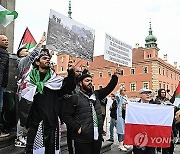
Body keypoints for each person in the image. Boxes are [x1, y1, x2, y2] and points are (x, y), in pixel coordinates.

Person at [17, 51, 76, 154]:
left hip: (50, 121)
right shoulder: (29, 79)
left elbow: (68, 88)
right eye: (44, 58)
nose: (48, 59)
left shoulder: (55, 79)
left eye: (48, 58)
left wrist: (71, 73)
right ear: (37, 63)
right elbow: (24, 99)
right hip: (35, 123)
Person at [63, 70, 119, 154]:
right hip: (82, 139)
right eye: (87, 81)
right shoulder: (74, 98)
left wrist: (115, 77)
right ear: (80, 83)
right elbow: (66, 116)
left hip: (97, 138)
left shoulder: (96, 95)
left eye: (91, 81)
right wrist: (77, 127)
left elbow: (109, 88)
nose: (90, 82)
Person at [15, 32, 46, 147]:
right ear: (21, 54)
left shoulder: (31, 65)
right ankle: (19, 137)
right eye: (26, 51)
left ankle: (25, 135)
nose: (28, 52)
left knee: (29, 114)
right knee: (23, 114)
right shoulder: (22, 62)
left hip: (31, 92)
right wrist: (41, 42)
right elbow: (33, 55)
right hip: (24, 92)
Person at [133, 88, 156, 154]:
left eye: (149, 93)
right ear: (140, 95)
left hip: (151, 135)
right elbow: (127, 118)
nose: (148, 95)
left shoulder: (155, 105)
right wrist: (124, 110)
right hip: (138, 135)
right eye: (146, 93)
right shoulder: (134, 106)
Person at [0, 34, 10, 138]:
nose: (6, 41)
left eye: (7, 40)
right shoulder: (3, 53)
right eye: (3, 40)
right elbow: (1, 68)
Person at [115, 87, 131, 151]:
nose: (125, 91)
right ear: (121, 91)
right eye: (124, 90)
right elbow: (116, 95)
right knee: (120, 131)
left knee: (125, 130)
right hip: (120, 116)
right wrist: (119, 89)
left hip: (126, 116)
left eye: (125, 90)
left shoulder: (126, 98)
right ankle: (120, 144)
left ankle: (124, 143)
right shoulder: (119, 98)